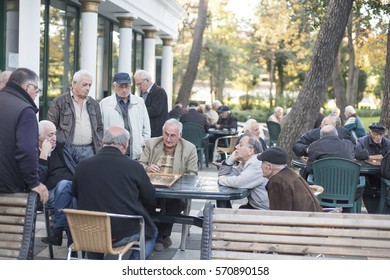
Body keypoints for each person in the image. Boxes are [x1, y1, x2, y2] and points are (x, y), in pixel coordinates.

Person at [72, 126, 157, 260]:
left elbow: (76, 194)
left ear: (103, 142)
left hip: (88, 231)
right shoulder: (134, 167)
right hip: (122, 232)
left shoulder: (82, 165)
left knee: (96, 229)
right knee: (152, 232)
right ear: (126, 144)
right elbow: (150, 197)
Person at [139, 118, 198, 251]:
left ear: (180, 136)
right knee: (146, 200)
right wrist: (147, 168)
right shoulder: (152, 143)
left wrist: (176, 179)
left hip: (176, 190)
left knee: (177, 204)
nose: (168, 138)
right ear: (162, 132)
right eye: (166, 134)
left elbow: (193, 174)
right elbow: (139, 164)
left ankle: (160, 235)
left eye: (173, 135)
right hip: (153, 188)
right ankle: (153, 232)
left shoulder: (189, 148)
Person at [0, 68, 48, 204]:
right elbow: (27, 149)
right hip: (9, 188)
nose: (36, 95)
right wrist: (34, 182)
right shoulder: (25, 111)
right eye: (37, 90)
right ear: (27, 87)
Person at [38, 120, 84, 246]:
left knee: (68, 191)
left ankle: (58, 230)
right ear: (39, 137)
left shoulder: (63, 146)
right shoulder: (32, 151)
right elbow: (36, 180)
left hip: (72, 186)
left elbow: (82, 161)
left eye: (55, 134)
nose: (54, 138)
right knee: (71, 198)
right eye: (50, 135)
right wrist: (43, 156)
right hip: (49, 192)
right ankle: (73, 245)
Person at [48, 69, 103, 158]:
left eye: (90, 85)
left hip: (90, 150)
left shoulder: (94, 104)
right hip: (67, 150)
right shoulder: (59, 102)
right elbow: (51, 126)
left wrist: (98, 144)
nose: (88, 88)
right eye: (84, 85)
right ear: (74, 84)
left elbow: (100, 128)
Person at [99, 72, 150, 160]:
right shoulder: (104, 103)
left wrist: (142, 143)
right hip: (113, 154)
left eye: (127, 86)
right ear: (114, 86)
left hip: (136, 154)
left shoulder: (139, 102)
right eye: (121, 86)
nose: (124, 90)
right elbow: (100, 129)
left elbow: (146, 128)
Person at [258, 147, 323, 212]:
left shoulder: (276, 182)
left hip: (303, 220)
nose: (260, 166)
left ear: (269, 167)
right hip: (313, 219)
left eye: (262, 163)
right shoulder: (290, 174)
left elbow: (278, 215)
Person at [218, 134, 269, 210]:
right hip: (255, 206)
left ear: (250, 151)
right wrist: (230, 160)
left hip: (264, 211)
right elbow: (227, 176)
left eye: (240, 145)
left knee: (229, 215)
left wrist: (221, 179)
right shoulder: (246, 162)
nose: (236, 147)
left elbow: (237, 182)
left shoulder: (257, 163)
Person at [355, 122, 390, 213]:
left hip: (382, 174)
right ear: (370, 132)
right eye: (375, 134)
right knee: (363, 183)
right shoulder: (362, 141)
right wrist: (371, 157)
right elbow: (357, 153)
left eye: (380, 134)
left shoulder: (387, 143)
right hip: (366, 174)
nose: (378, 137)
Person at [134, 69, 168, 137]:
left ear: (147, 80)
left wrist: (138, 110)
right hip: (146, 131)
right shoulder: (143, 94)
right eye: (137, 85)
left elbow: (155, 110)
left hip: (156, 132)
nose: (138, 87)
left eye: (140, 84)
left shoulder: (159, 91)